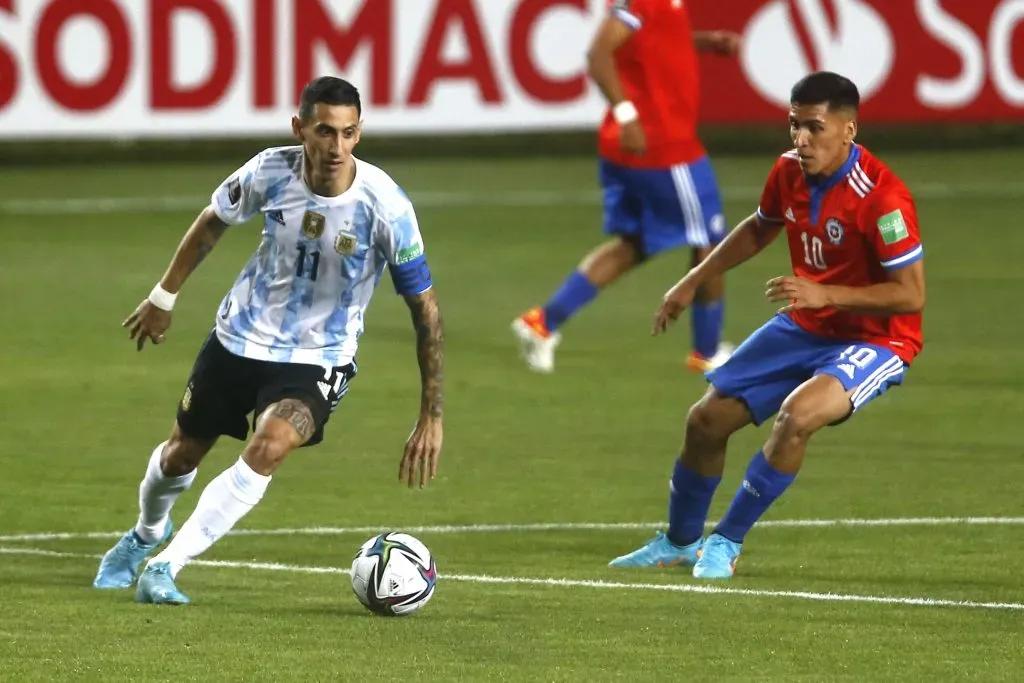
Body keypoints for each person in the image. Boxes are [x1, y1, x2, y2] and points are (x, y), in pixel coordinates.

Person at [92, 76, 445, 604]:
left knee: (270, 445)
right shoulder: (271, 170)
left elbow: (426, 311)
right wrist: (163, 298)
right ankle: (145, 533)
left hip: (318, 356)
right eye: (325, 131)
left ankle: (166, 566)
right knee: (179, 456)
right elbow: (213, 222)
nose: (337, 147)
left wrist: (431, 415)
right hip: (239, 337)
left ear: (360, 132)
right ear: (300, 127)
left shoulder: (386, 207)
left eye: (349, 133)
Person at [608, 71, 925, 578]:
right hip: (807, 324)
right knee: (705, 421)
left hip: (877, 337)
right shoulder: (788, 171)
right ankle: (680, 541)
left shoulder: (884, 199)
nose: (801, 139)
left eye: (814, 127)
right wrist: (694, 279)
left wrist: (826, 292)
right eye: (794, 125)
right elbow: (760, 227)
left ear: (849, 130)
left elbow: (911, 294)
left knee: (796, 417)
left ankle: (726, 542)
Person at [512, 0, 740, 374]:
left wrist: (705, 42)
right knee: (711, 243)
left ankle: (542, 323)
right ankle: (708, 352)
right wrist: (627, 113)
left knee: (635, 243)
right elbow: (598, 52)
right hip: (662, 147)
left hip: (634, 148)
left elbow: (653, 45)